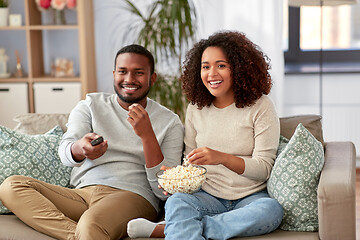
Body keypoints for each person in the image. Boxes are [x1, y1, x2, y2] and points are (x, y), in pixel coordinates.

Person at [0, 44, 184, 240]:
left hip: (133, 196)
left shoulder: (170, 122)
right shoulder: (90, 105)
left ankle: (88, 233)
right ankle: (79, 236)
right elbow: (65, 150)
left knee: (90, 224)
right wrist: (81, 149)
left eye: (139, 73)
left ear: (152, 78)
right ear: (114, 74)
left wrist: (147, 136)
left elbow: (165, 191)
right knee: (11, 186)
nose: (129, 79)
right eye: (123, 72)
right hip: (81, 194)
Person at [127, 31, 283, 239]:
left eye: (221, 65)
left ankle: (174, 228)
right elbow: (190, 163)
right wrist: (176, 180)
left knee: (271, 210)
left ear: (239, 68)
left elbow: (264, 169)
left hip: (249, 198)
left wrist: (221, 158)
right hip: (207, 196)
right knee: (176, 202)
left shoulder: (261, 107)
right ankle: (180, 225)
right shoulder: (196, 108)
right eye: (205, 66)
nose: (212, 74)